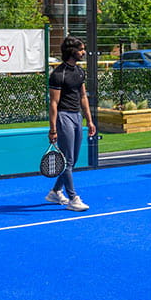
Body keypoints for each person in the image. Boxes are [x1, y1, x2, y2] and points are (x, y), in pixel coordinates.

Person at [46, 36, 97, 212]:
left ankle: (55, 192)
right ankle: (73, 198)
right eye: (81, 49)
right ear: (71, 51)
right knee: (67, 160)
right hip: (63, 117)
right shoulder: (58, 74)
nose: (83, 52)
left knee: (72, 161)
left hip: (77, 117)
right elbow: (53, 103)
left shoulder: (80, 71)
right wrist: (53, 129)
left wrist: (89, 120)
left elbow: (83, 97)